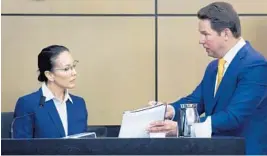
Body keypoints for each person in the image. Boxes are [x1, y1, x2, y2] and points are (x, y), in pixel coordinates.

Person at [147, 2, 267, 155]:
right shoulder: (213, 67)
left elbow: (234, 117)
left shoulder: (255, 66)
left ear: (225, 33)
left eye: (205, 34)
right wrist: (169, 110)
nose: (201, 40)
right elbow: (196, 101)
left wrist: (183, 129)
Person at [13, 45, 88, 138]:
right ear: (49, 75)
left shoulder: (79, 104)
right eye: (66, 69)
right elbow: (21, 148)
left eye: (73, 66)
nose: (74, 73)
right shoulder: (27, 104)